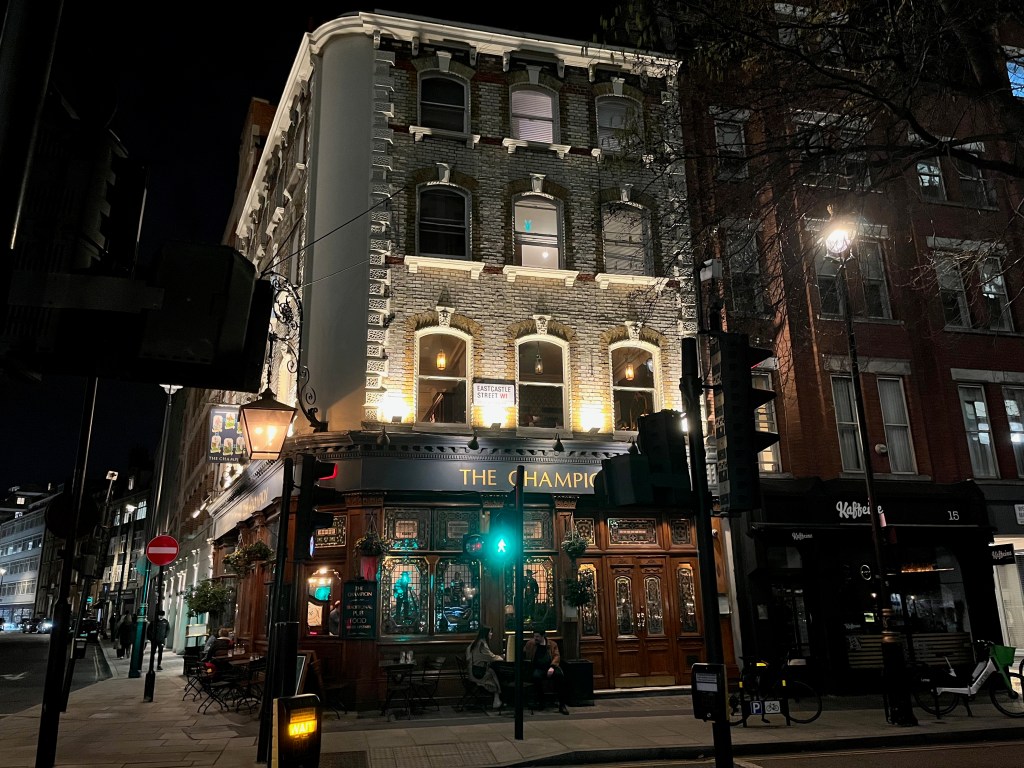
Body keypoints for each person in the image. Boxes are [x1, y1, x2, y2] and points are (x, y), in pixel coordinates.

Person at [522, 630, 569, 715]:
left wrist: (552, 667)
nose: (535, 638)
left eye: (537, 636)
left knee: (560, 676)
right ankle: (541, 702)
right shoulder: (530, 644)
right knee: (536, 677)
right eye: (534, 636)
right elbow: (523, 652)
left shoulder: (552, 644)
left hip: (551, 667)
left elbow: (557, 656)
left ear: (543, 636)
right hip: (538, 668)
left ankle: (562, 705)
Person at [466, 625, 504, 709]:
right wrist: (501, 657)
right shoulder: (482, 645)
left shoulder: (475, 643)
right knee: (495, 675)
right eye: (490, 632)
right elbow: (491, 657)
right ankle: (497, 699)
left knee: (493, 672)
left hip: (471, 671)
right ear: (486, 633)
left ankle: (497, 699)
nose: (491, 634)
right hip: (478, 674)